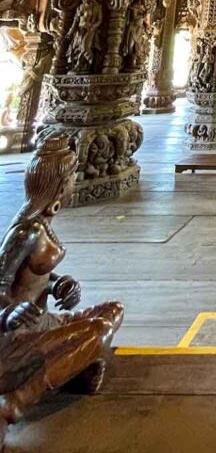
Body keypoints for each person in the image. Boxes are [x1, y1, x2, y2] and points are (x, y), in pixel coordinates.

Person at [0, 136, 123, 448]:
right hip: (17, 339)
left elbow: (34, 276)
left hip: (44, 322)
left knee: (112, 311)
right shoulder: (26, 232)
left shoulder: (43, 225)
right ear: (57, 186)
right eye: (70, 179)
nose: (73, 185)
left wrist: (58, 284)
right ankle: (16, 400)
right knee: (99, 330)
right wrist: (9, 313)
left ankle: (77, 363)